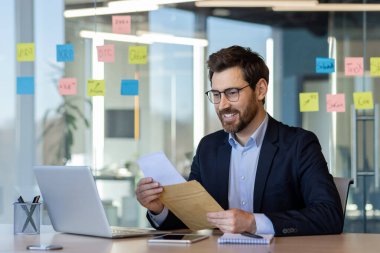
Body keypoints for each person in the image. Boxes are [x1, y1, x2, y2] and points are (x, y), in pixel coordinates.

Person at [136, 45, 343, 236]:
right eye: (216, 94)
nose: (222, 105)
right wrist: (158, 208)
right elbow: (191, 218)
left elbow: (329, 215)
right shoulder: (209, 147)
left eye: (232, 93)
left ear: (260, 90)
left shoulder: (299, 144)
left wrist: (253, 223)